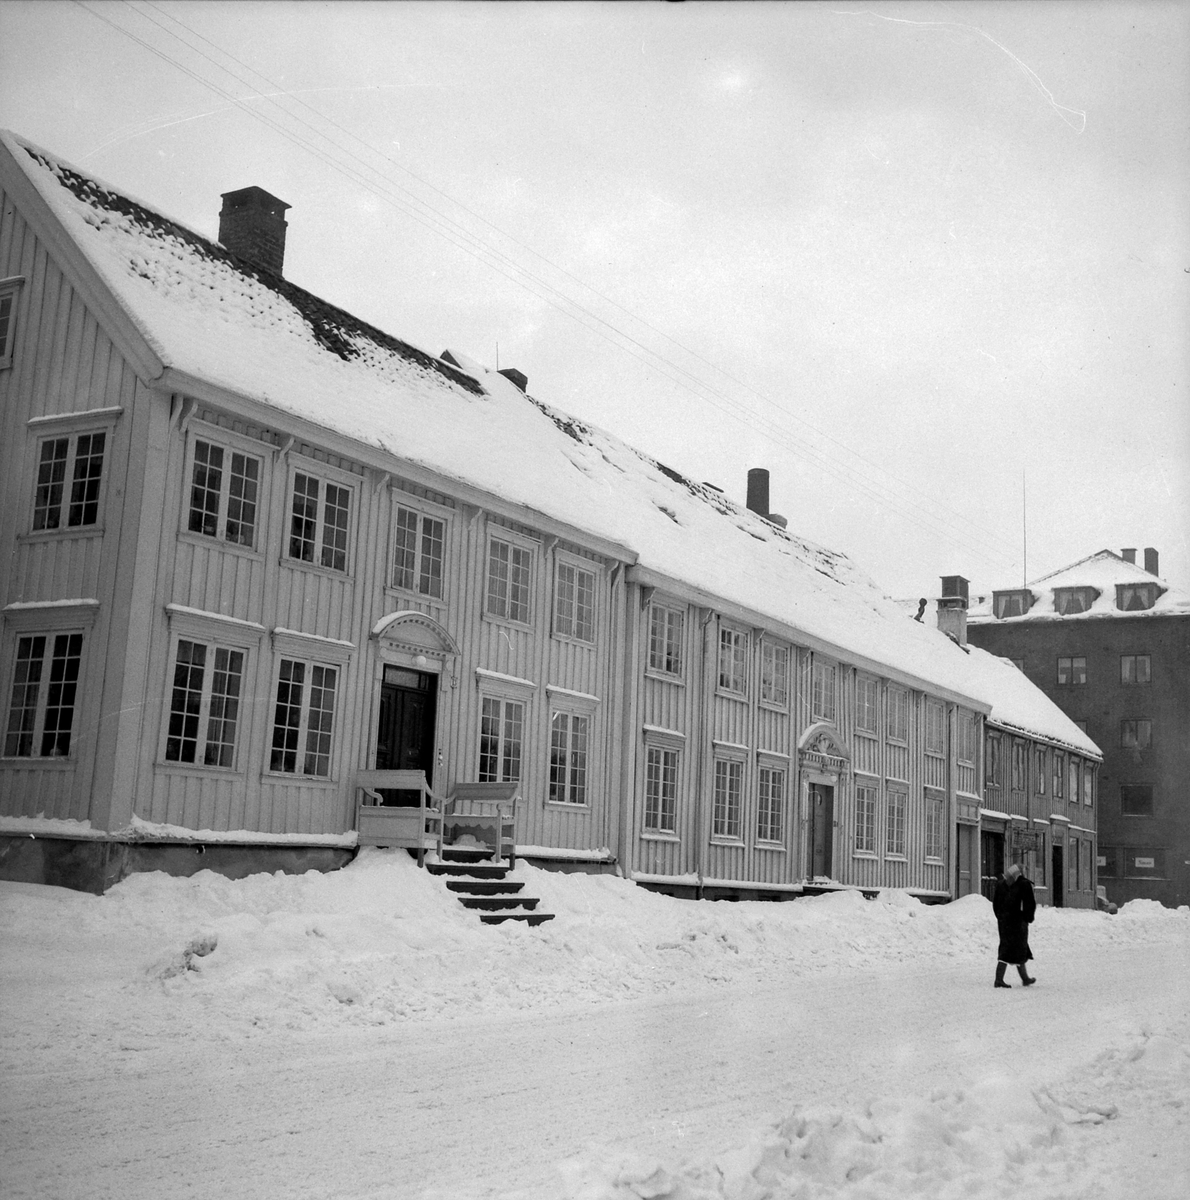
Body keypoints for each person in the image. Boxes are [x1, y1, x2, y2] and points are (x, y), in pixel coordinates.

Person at [992, 862, 1036, 988]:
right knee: (1017, 948)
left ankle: (1024, 978)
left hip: (1004, 922)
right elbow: (1029, 903)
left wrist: (1001, 917)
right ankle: (999, 980)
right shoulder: (1024, 885)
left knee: (1011, 947)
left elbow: (996, 904)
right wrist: (1027, 918)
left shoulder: (1001, 885)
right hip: (1018, 922)